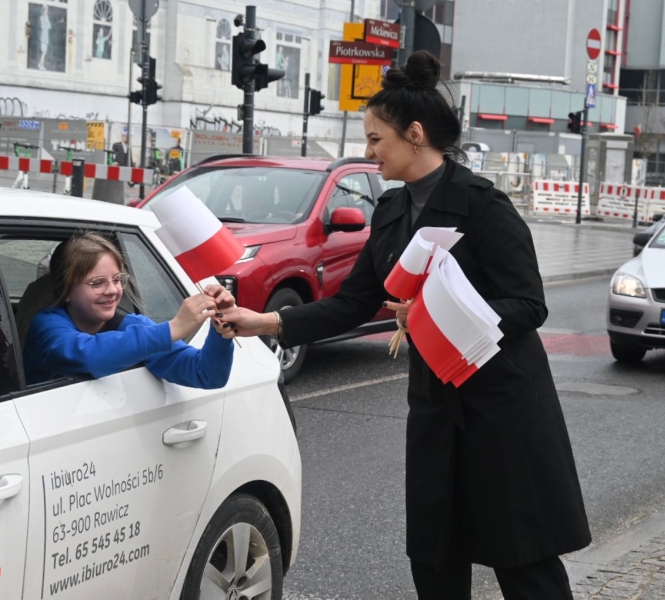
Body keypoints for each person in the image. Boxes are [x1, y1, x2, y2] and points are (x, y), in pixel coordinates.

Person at [219, 51, 591, 599]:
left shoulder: (485, 207)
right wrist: (264, 321)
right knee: (435, 561)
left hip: (503, 412)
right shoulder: (391, 212)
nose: (369, 152)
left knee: (524, 562)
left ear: (414, 135)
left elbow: (528, 305)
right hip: (435, 410)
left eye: (377, 139)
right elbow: (353, 304)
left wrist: (438, 315)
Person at [23, 233, 234, 388]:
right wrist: (173, 329)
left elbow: (206, 374)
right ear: (66, 290)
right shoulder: (47, 326)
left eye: (117, 279)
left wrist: (221, 329)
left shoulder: (134, 327)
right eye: (97, 283)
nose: (112, 291)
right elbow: (88, 355)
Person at [38, 4, 51, 70]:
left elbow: (49, 26)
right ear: (43, 10)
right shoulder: (42, 18)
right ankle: (40, 64)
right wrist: (46, 25)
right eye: (45, 10)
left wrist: (47, 24)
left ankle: (41, 64)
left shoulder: (47, 17)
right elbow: (43, 27)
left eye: (47, 10)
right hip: (43, 36)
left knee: (44, 52)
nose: (46, 11)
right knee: (44, 52)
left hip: (46, 36)